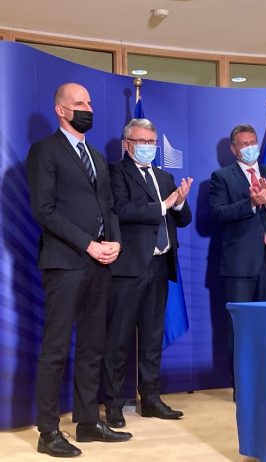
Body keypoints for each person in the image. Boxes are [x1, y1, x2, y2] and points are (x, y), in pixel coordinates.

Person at [26, 82, 131, 458]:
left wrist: (115, 241)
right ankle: (48, 431)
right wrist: (88, 244)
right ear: (61, 110)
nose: (88, 108)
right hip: (65, 262)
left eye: (89, 102)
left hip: (101, 263)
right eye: (80, 103)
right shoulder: (45, 151)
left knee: (92, 345)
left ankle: (87, 423)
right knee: (56, 347)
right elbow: (44, 210)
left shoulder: (97, 156)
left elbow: (109, 206)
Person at [102, 118, 193, 428]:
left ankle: (151, 399)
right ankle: (113, 403)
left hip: (160, 265)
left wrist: (179, 203)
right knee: (119, 337)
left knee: (153, 336)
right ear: (127, 144)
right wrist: (164, 205)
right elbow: (121, 210)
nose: (148, 147)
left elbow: (183, 219)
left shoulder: (165, 177)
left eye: (152, 142)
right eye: (142, 142)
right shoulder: (116, 172)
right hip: (129, 267)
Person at [208, 124, 266, 384]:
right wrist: (250, 204)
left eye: (253, 142)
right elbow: (217, 214)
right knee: (241, 327)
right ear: (234, 149)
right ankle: (243, 385)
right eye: (244, 144)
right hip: (240, 266)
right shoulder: (221, 177)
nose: (250, 147)